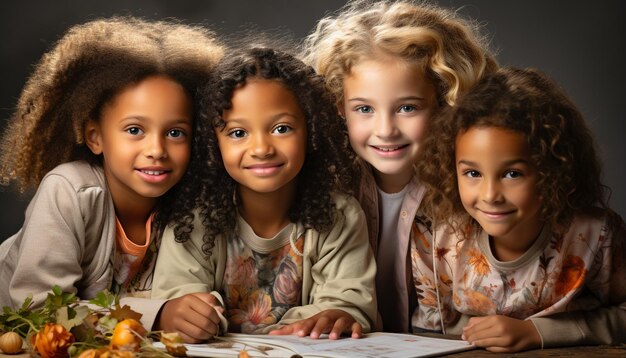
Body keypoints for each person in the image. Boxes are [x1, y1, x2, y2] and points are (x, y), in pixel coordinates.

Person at [0, 17, 224, 331]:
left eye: (175, 133)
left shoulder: (190, 207)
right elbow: (43, 311)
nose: (157, 149)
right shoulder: (68, 192)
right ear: (95, 137)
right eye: (135, 130)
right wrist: (157, 316)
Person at [151, 46, 377, 343]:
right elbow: (177, 299)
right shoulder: (193, 219)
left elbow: (349, 302)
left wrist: (339, 314)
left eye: (281, 128)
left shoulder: (338, 215)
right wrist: (175, 313)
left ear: (310, 131)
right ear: (212, 142)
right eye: (238, 133)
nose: (261, 149)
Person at [300, 0, 497, 332]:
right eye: (364, 109)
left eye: (407, 108)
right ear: (338, 106)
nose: (386, 130)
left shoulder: (477, 190)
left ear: (446, 102)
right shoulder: (326, 187)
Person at [415, 67, 626, 352]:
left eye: (512, 174)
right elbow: (426, 333)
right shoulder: (436, 237)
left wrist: (537, 332)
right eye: (473, 174)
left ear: (555, 170)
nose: (490, 195)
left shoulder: (594, 235)